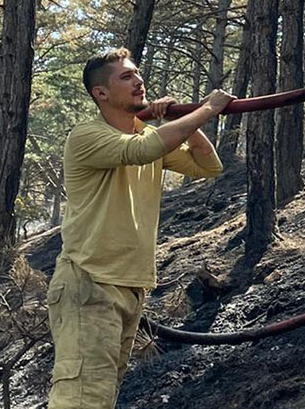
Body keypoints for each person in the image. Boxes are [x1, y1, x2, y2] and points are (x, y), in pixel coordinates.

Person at [47, 47, 234, 408]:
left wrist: (182, 121)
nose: (138, 80)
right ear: (100, 94)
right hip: (91, 282)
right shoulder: (87, 137)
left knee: (100, 398)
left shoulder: (146, 136)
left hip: (130, 287)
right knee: (82, 399)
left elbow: (207, 166)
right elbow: (142, 150)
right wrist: (208, 109)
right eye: (126, 76)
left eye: (137, 73)